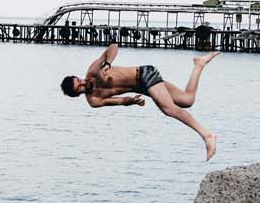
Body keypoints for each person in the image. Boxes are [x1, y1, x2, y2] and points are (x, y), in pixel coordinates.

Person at [61, 44, 218, 160]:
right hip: (144, 88)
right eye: (79, 88)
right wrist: (132, 101)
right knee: (187, 100)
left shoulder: (94, 71)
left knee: (168, 109)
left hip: (144, 74)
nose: (83, 83)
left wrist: (107, 63)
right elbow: (118, 101)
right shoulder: (94, 100)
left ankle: (207, 135)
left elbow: (113, 46)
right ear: (78, 94)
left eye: (79, 80)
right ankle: (199, 64)